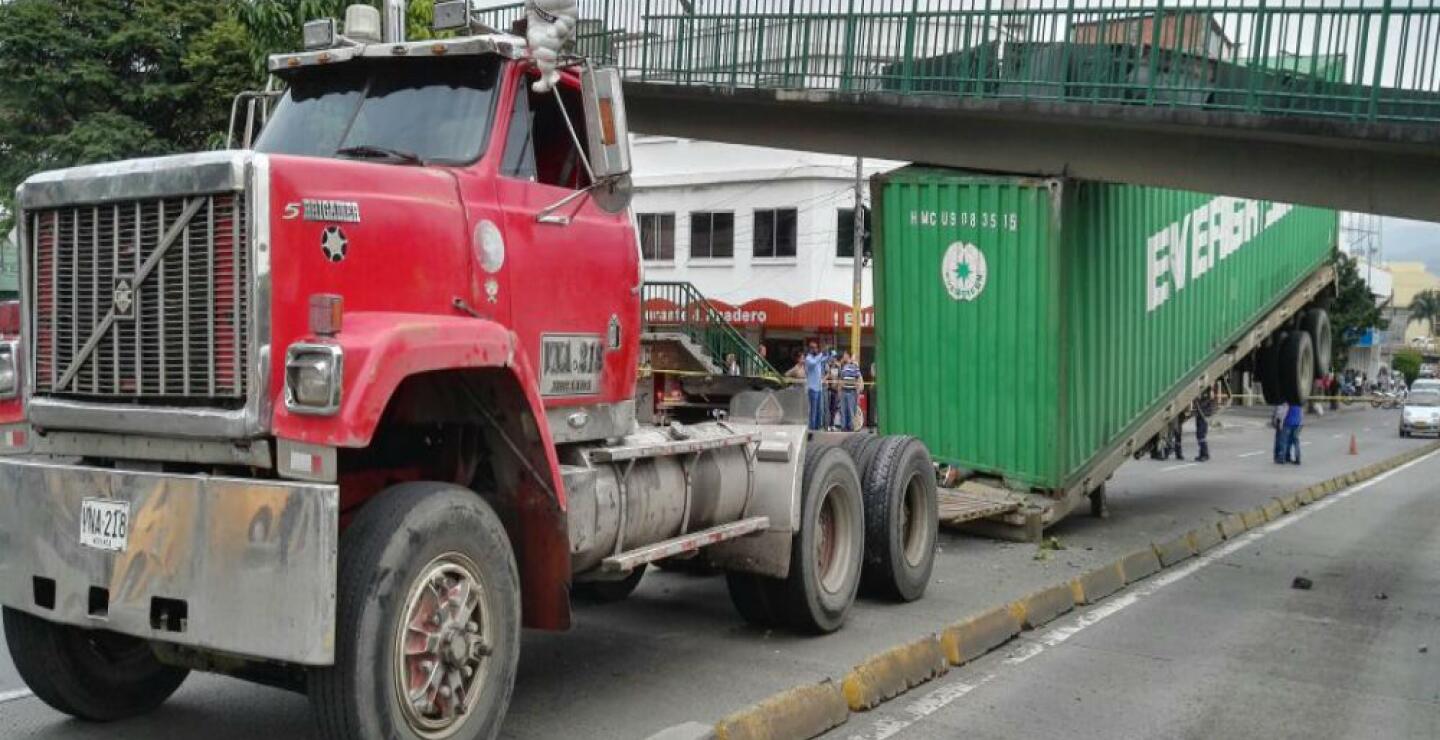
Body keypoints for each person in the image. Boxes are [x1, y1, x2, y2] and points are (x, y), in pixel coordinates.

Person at [803, 341, 835, 430]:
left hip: (819, 388)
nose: (815, 349)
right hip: (812, 389)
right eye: (813, 348)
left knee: (819, 410)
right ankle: (812, 429)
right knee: (813, 410)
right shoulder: (808, 359)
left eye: (816, 347)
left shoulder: (817, 358)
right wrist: (822, 352)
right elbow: (814, 362)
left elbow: (827, 359)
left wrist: (830, 352)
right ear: (810, 349)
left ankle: (817, 428)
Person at [839, 353, 864, 431]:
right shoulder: (843, 367)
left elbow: (858, 378)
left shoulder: (855, 367)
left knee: (851, 410)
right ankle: (843, 426)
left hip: (851, 392)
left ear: (848, 356)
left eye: (845, 355)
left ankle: (851, 426)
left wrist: (858, 391)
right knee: (843, 410)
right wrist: (840, 390)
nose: (844, 357)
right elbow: (841, 379)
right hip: (844, 391)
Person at [1193, 388, 1216, 462]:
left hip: (1204, 416)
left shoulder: (1208, 392)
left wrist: (1197, 401)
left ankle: (1205, 455)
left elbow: (1205, 403)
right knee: (1199, 435)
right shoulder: (1203, 391)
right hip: (1200, 415)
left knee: (1201, 435)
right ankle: (1202, 454)